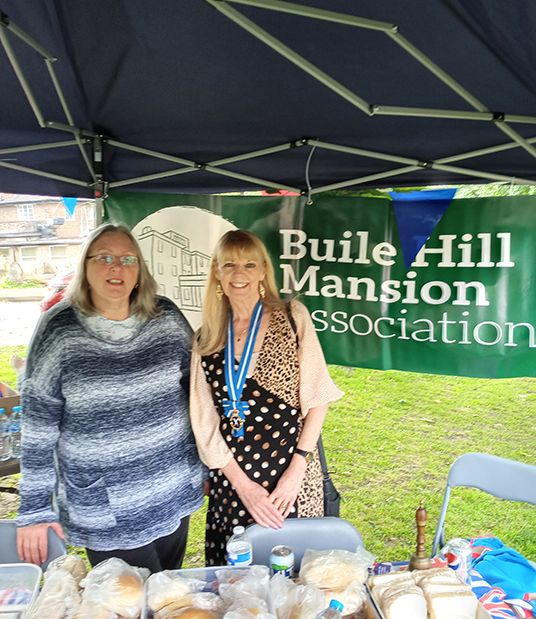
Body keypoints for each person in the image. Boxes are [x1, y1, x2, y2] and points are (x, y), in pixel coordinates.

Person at [16, 223, 208, 571]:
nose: (116, 267)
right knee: (125, 607)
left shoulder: (166, 318)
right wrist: (33, 508)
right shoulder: (59, 329)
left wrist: (209, 465)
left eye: (127, 258)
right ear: (85, 268)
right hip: (106, 503)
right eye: (104, 257)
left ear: (140, 270)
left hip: (172, 486)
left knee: (167, 599)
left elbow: (198, 393)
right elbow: (37, 425)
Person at [190, 229, 343, 565]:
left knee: (299, 577)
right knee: (235, 583)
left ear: (263, 271)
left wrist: (297, 468)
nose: (239, 273)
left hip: (291, 477)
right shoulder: (206, 337)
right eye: (229, 264)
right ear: (216, 272)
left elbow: (319, 397)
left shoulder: (292, 317)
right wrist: (243, 486)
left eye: (249, 264)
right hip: (233, 482)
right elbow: (204, 423)